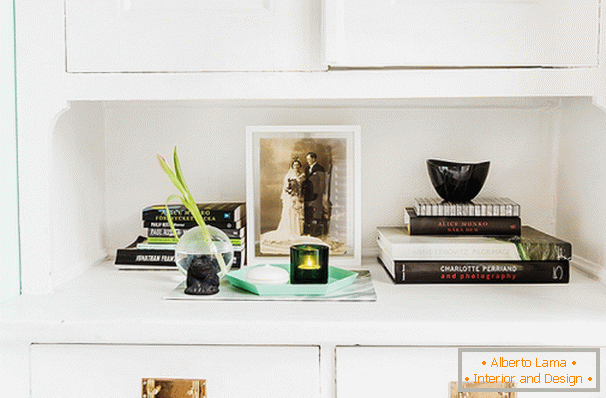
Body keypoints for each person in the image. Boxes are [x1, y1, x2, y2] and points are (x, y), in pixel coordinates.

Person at [260, 158, 306, 243]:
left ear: (300, 166)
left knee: (296, 213)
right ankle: (289, 230)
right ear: (292, 166)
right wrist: (291, 191)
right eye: (294, 165)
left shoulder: (301, 175)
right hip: (290, 197)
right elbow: (286, 187)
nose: (296, 166)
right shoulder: (288, 176)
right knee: (290, 212)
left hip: (298, 196)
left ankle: (296, 231)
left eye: (297, 165)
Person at [303, 152, 328, 237]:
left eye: (309, 159)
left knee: (316, 212)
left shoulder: (320, 168)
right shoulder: (307, 169)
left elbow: (322, 182)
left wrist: (320, 193)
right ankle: (308, 232)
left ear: (314, 159)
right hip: (308, 194)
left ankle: (316, 233)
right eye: (307, 159)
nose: (307, 161)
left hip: (316, 194)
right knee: (309, 212)